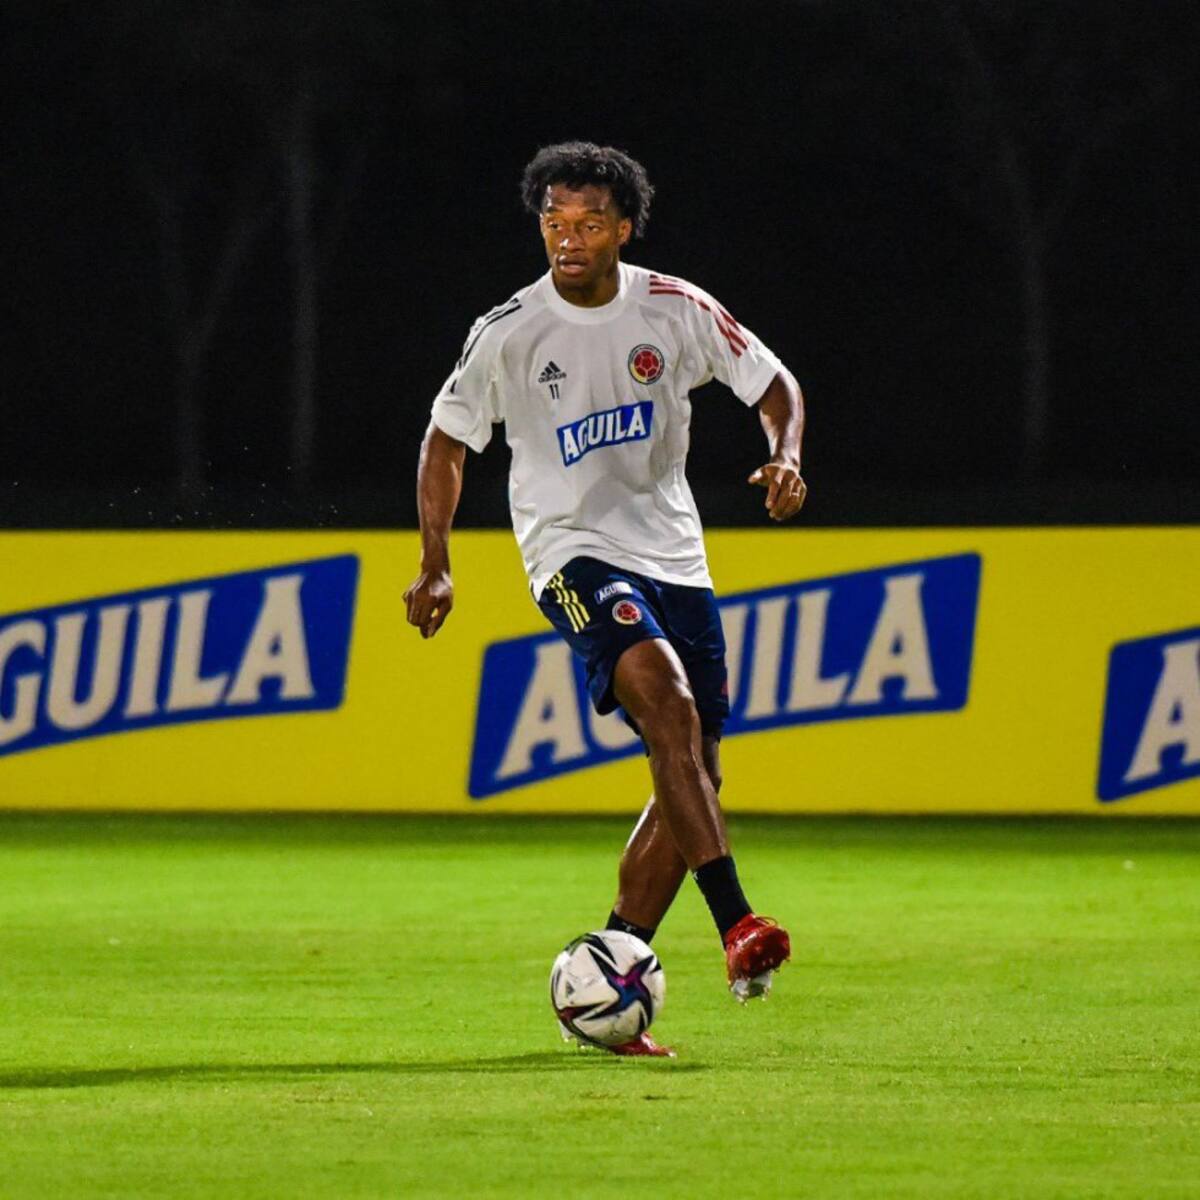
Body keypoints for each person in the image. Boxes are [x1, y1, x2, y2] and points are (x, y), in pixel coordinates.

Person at [404, 141, 806, 1057]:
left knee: (696, 766)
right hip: (569, 554)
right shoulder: (508, 331)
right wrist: (437, 560)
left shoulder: (674, 309)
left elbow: (772, 383)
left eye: (588, 224)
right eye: (554, 222)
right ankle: (739, 923)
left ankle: (615, 962)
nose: (568, 239)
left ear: (623, 228)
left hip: (675, 556)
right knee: (666, 706)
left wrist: (785, 453)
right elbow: (446, 440)